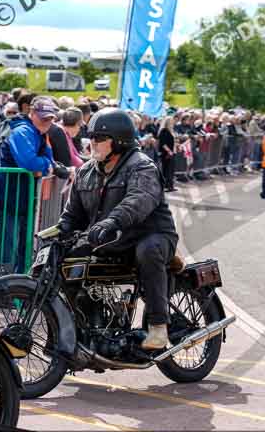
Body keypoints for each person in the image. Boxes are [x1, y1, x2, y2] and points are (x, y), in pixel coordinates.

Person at [58, 108, 178, 350]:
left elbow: (139, 200)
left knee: (148, 250)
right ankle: (86, 322)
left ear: (120, 141)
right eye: (91, 137)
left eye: (100, 138)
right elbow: (73, 215)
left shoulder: (141, 166)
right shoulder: (86, 171)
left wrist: (112, 221)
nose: (93, 142)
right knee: (64, 258)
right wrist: (60, 232)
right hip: (111, 240)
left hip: (149, 234)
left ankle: (158, 327)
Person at [0, 96, 57, 274]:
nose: (47, 122)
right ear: (32, 114)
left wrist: (45, 166)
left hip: (24, 197)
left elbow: (49, 162)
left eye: (50, 118)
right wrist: (45, 166)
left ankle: (18, 286)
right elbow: (30, 163)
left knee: (24, 246)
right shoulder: (22, 131)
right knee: (9, 245)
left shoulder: (39, 134)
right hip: (9, 195)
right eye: (43, 118)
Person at [158, 117, 177, 191]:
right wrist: (169, 151)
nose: (173, 123)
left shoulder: (172, 131)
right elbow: (163, 143)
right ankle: (166, 186)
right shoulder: (164, 131)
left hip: (172, 152)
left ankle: (170, 185)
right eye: (171, 122)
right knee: (166, 170)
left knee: (171, 169)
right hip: (166, 154)